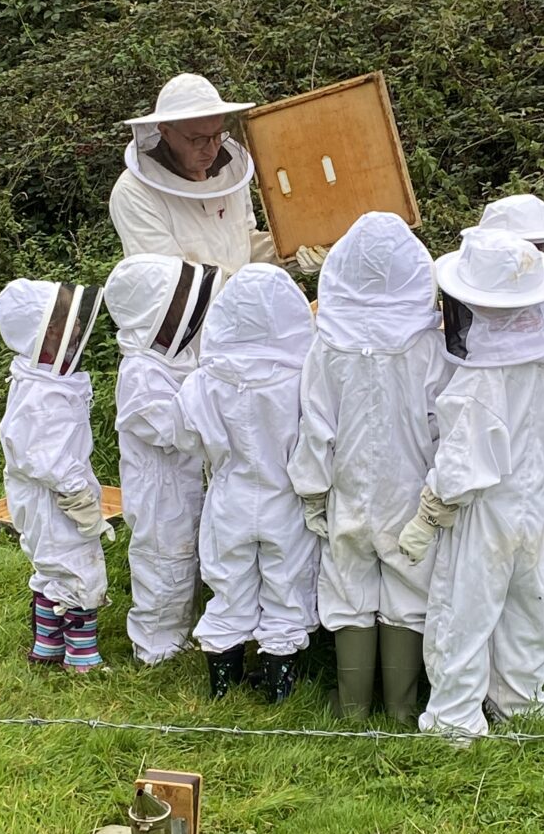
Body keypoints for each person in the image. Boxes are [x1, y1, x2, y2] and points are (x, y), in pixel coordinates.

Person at [399, 229, 544, 740]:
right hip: (538, 508)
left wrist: (429, 513)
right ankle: (522, 704)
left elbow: (463, 458)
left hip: (483, 514)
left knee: (464, 612)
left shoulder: (480, 379)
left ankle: (455, 722)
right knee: (528, 608)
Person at [287, 212, 452, 722]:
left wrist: (313, 491)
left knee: (347, 581)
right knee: (410, 581)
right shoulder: (431, 344)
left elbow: (316, 426)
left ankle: (354, 706)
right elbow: (442, 422)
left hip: (348, 485)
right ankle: (402, 708)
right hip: (412, 487)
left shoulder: (326, 344)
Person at [158, 263, 320, 702]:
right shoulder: (302, 379)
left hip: (229, 496)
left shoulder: (203, 382)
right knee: (286, 588)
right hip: (286, 500)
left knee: (228, 586)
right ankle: (277, 686)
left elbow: (182, 435)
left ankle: (222, 688)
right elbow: (318, 438)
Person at [462, 192, 544, 677]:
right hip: (527, 485)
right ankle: (521, 694)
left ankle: (477, 708)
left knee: (476, 600)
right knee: (528, 590)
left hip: (490, 492)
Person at [103, 253, 221, 666]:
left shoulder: (171, 359)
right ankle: (153, 645)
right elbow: (175, 428)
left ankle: (175, 633)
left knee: (183, 556)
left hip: (180, 484)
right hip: (156, 493)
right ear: (153, 315)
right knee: (161, 561)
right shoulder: (138, 372)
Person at [0, 278, 111, 672]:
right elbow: (44, 455)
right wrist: (79, 496)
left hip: (43, 494)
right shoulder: (41, 393)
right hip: (55, 497)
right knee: (78, 564)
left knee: (50, 565)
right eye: (63, 321)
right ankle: (82, 656)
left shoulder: (40, 378)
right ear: (42, 334)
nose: (76, 327)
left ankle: (47, 646)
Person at [109, 72, 323, 277]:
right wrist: (246, 287)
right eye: (198, 139)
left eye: (216, 135)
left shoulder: (232, 173)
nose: (212, 149)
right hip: (197, 314)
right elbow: (174, 282)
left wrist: (294, 253)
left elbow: (244, 245)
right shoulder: (134, 193)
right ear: (166, 132)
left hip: (248, 304)